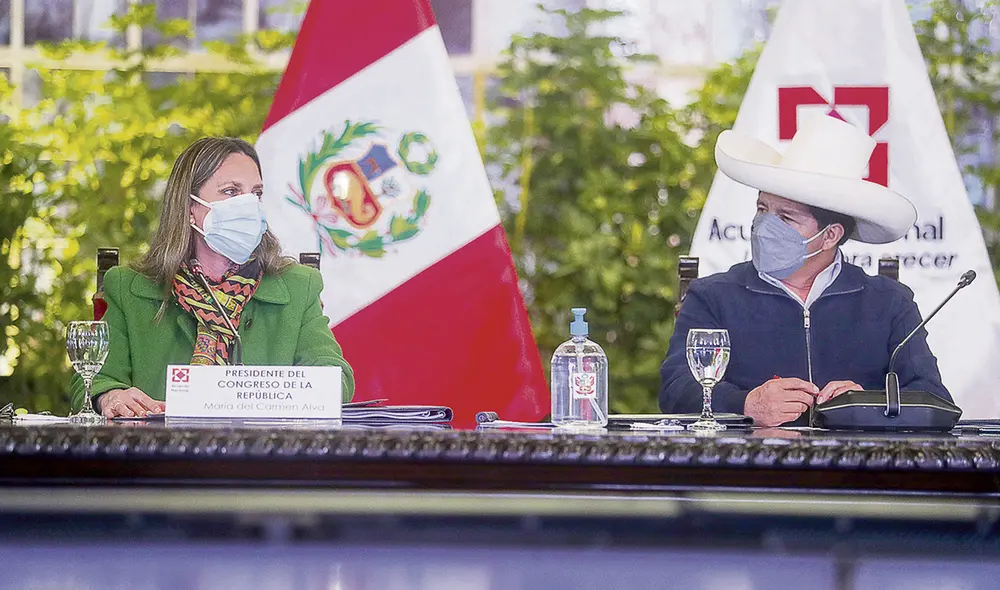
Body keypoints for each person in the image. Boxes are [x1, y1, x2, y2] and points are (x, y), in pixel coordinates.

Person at [659, 115, 950, 427]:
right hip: (750, 468)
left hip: (858, 470)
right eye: (762, 209)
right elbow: (675, 391)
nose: (763, 226)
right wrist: (745, 403)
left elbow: (933, 398)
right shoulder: (713, 296)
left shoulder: (889, 302)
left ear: (830, 236)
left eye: (786, 217)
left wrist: (868, 403)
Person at [71, 137, 355, 418]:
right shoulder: (129, 287)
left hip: (264, 458)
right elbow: (91, 381)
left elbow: (336, 379)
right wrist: (111, 396)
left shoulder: (297, 285)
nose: (249, 205)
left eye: (255, 193)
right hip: (159, 458)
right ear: (190, 207)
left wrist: (271, 394)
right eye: (231, 192)